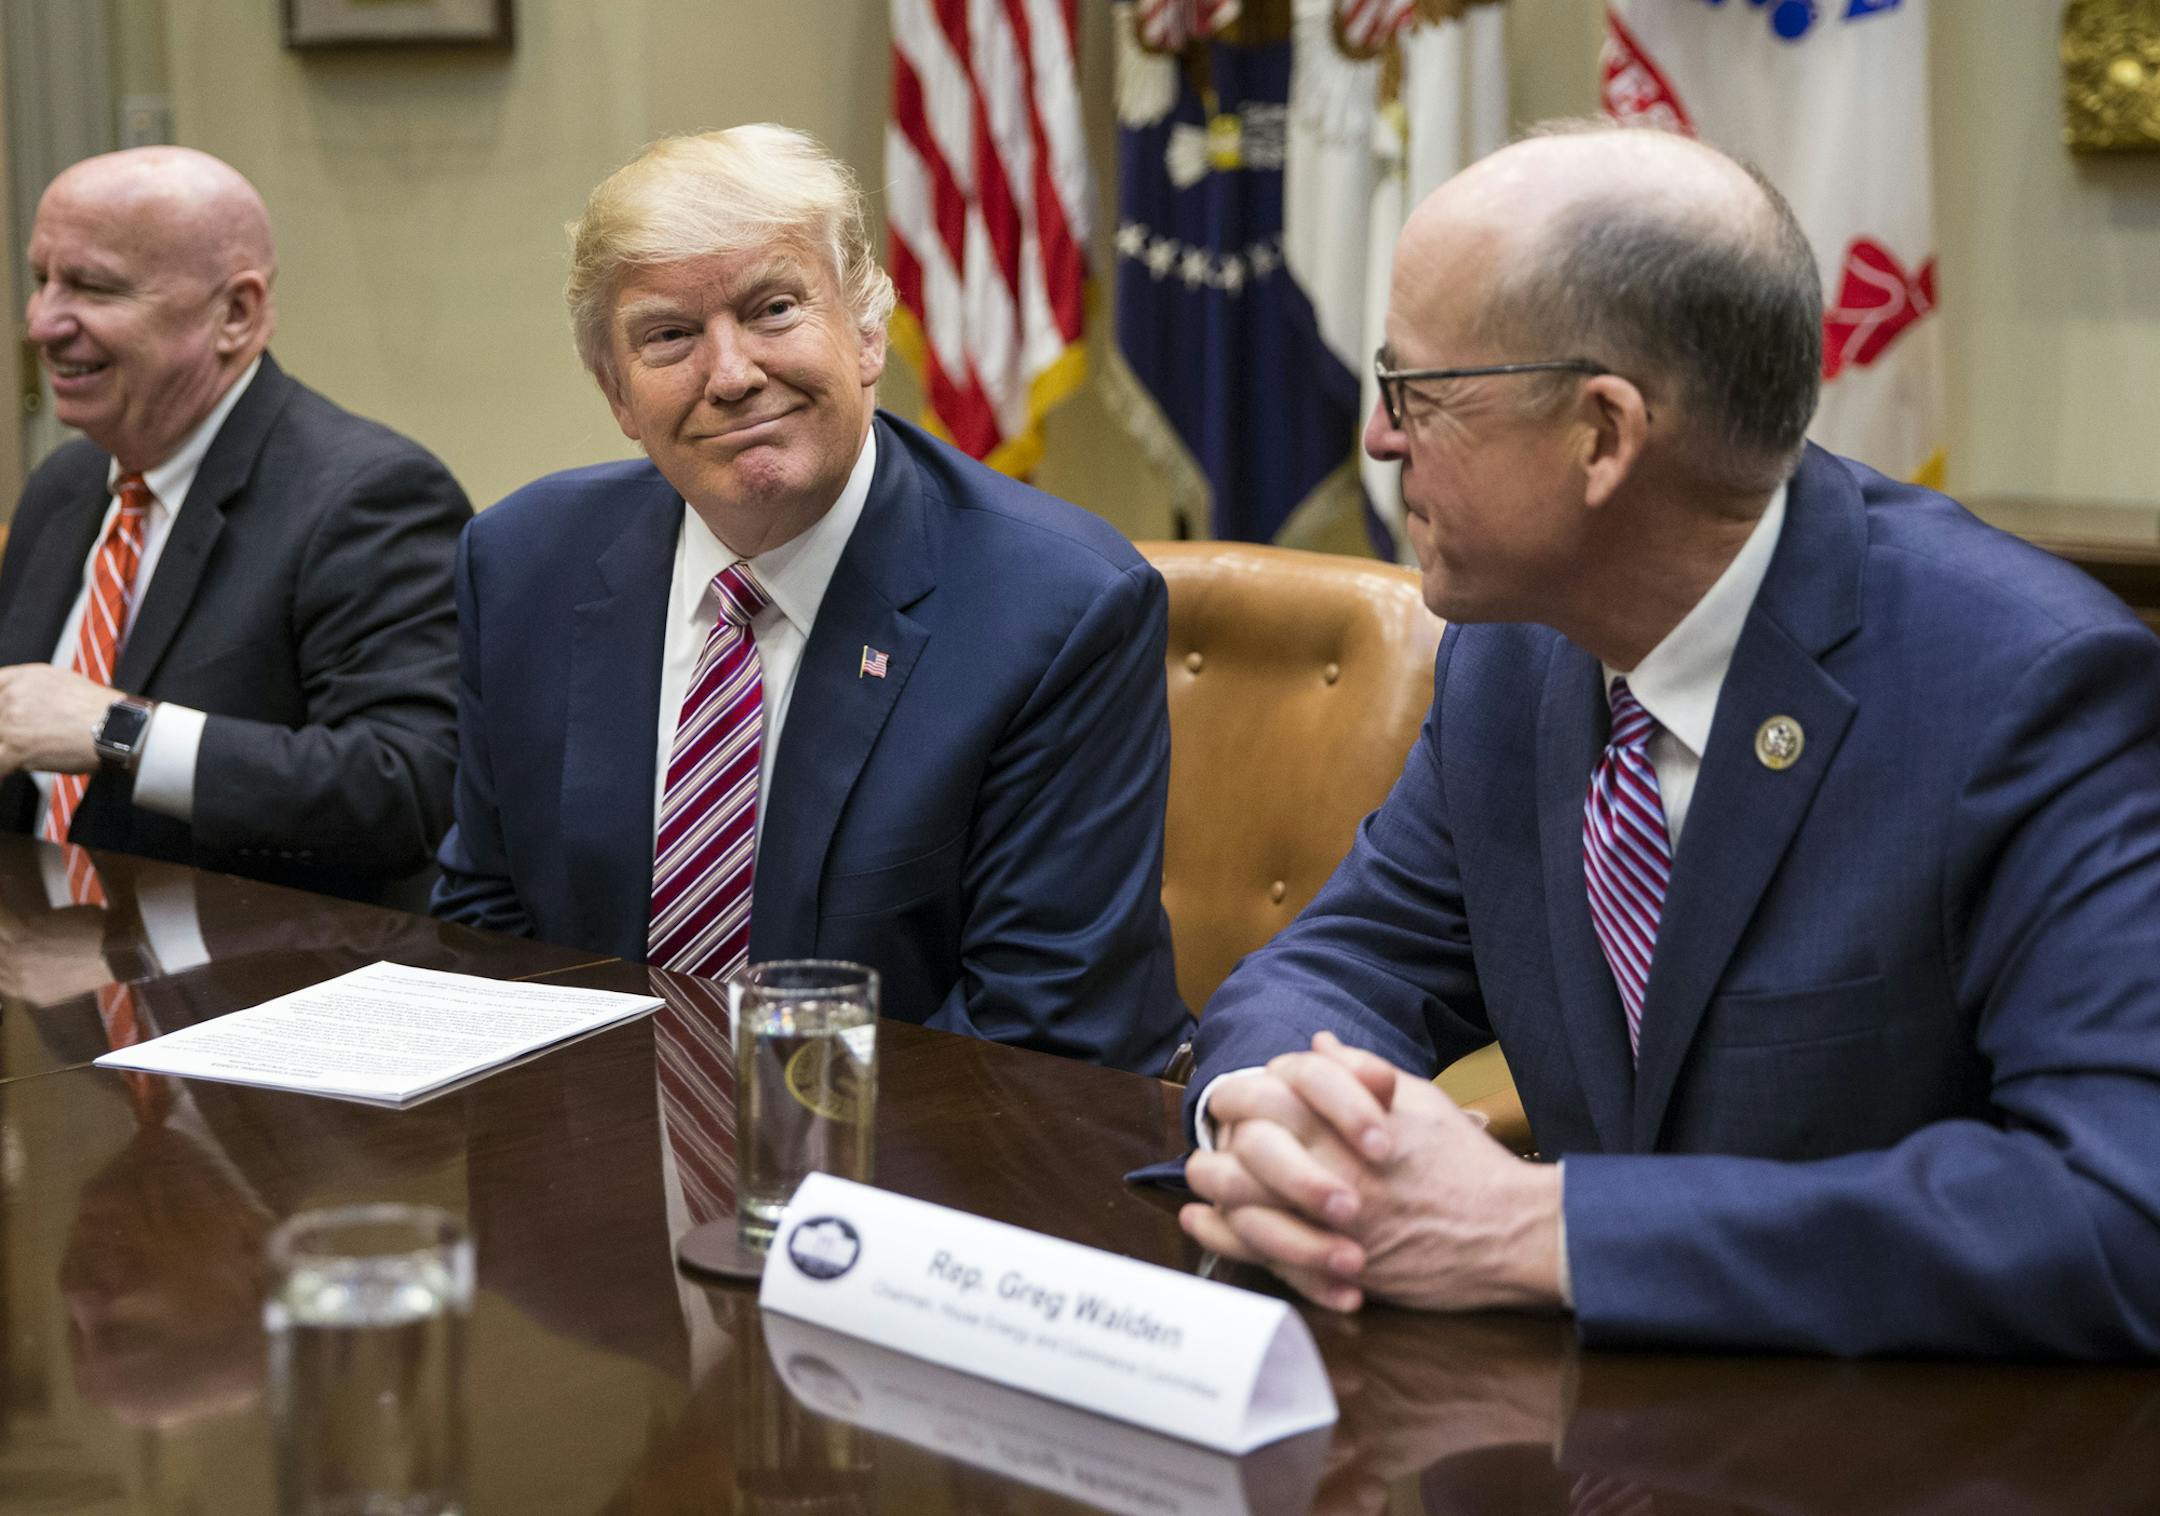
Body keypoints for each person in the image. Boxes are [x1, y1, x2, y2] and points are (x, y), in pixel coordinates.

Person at [1176, 124, 2160, 1357]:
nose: (1380, 439)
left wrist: (1545, 1227)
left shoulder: (2028, 688)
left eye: (1417, 392)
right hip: (1573, 1436)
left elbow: (2120, 1209)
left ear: (1602, 435)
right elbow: (1343, 966)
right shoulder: (1517, 650)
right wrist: (1280, 1121)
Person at [431, 125, 1185, 1074]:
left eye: (774, 308)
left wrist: (771, 1167)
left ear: (868, 333)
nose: (733, 375)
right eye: (669, 336)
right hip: (604, 1168)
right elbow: (490, 937)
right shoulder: (522, 562)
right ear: (617, 395)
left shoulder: (1061, 609)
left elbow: (1041, 1028)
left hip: (928, 1178)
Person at [0, 147, 469, 905]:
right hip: (47, 982)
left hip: (256, 987)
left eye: (92, 287)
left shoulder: (366, 495)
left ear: (237, 312)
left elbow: (408, 785)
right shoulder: (65, 486)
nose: (42, 323)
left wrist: (124, 732)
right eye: (40, 280)